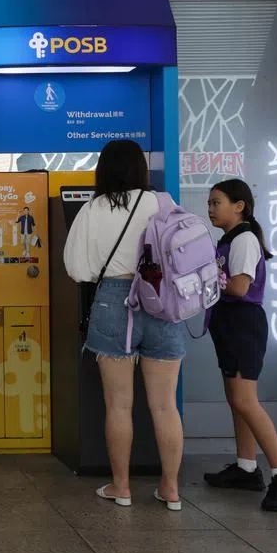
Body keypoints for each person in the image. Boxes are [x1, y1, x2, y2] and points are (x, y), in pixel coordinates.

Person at [63, 139, 185, 511]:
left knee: (118, 406)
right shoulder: (163, 203)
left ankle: (121, 487)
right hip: (162, 302)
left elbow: (77, 269)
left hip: (114, 301)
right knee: (164, 406)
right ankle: (170, 489)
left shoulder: (93, 209)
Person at [203, 178, 277, 512]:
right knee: (236, 400)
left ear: (239, 206)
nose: (210, 209)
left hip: (243, 325)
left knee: (246, 400)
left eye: (216, 203)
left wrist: (203, 277)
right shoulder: (227, 239)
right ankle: (246, 468)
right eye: (209, 203)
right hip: (228, 325)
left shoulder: (244, 239)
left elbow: (239, 287)